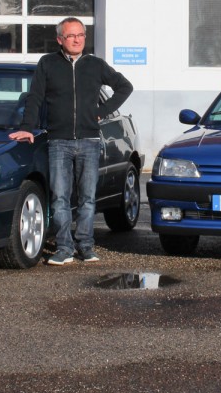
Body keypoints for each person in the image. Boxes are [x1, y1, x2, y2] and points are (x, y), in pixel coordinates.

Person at [9, 17, 133, 266]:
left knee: (88, 198)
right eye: (71, 36)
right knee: (60, 198)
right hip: (59, 142)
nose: (77, 40)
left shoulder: (96, 65)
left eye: (81, 35)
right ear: (60, 39)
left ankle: (86, 246)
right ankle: (64, 248)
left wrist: (101, 111)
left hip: (89, 140)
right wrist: (27, 128)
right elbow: (35, 98)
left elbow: (124, 87)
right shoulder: (48, 64)